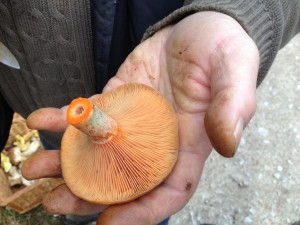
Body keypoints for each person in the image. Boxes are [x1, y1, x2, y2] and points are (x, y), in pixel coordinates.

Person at [1, 1, 300, 224]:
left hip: (163, 57)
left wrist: (242, 8)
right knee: (64, 162)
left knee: (148, 203)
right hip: (46, 99)